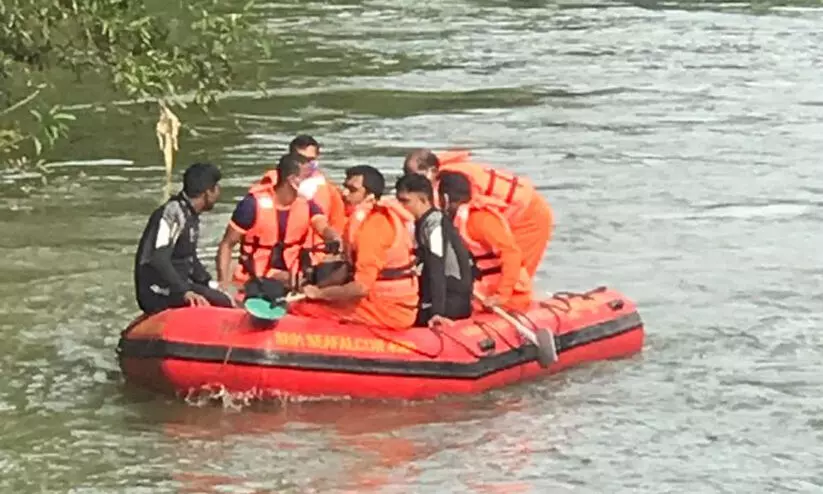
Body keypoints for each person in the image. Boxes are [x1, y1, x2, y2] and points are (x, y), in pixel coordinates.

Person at [289, 165, 419, 329]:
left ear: (370, 197)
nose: (344, 193)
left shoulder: (373, 228)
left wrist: (319, 294)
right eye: (345, 187)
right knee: (306, 302)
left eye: (352, 190)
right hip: (377, 301)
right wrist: (314, 289)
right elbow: (348, 269)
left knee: (302, 309)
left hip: (389, 309)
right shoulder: (360, 222)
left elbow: (360, 288)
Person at [403, 148, 553, 278]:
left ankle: (511, 298)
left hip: (530, 217)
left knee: (516, 272)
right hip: (518, 209)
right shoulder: (447, 173)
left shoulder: (457, 183)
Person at [215, 153, 341, 300]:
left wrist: (333, 237)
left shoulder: (306, 204)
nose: (314, 182)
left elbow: (322, 227)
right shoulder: (251, 205)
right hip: (254, 280)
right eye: (307, 177)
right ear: (292, 180)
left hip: (291, 280)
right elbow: (227, 244)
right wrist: (223, 282)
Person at [134, 163, 234, 314]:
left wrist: (209, 283)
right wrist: (184, 292)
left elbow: (189, 258)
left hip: (177, 285)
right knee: (221, 302)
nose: (219, 192)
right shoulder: (174, 212)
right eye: (217, 187)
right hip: (156, 290)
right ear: (208, 192)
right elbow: (158, 258)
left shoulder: (189, 214)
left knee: (225, 297)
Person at [437, 171, 533, 312]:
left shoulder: (480, 220)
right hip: (484, 293)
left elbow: (511, 254)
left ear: (444, 199)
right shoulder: (460, 222)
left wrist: (502, 295)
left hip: (510, 298)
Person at [394, 173, 474, 327]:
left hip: (451, 301)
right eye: (399, 201)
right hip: (440, 295)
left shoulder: (435, 226)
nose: (401, 207)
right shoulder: (421, 223)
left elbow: (438, 266)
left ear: (423, 200)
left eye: (405, 201)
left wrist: (437, 312)